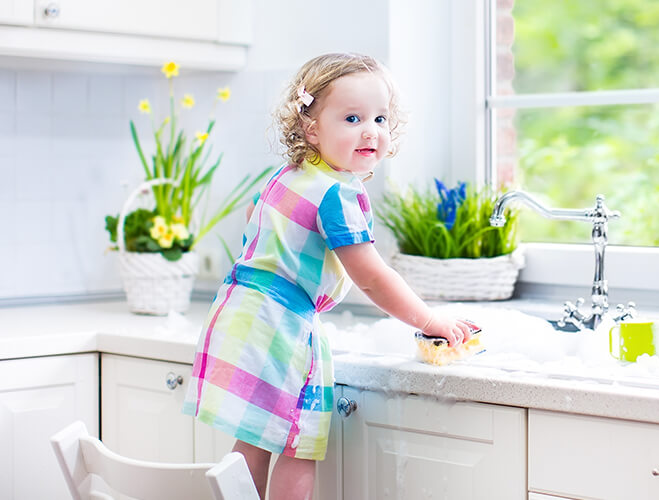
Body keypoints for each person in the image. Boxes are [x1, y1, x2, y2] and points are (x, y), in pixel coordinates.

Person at [181, 53, 474, 499]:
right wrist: (431, 322)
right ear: (311, 128)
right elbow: (373, 277)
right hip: (279, 328)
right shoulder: (338, 194)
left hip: (238, 313)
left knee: (253, 441)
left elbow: (253, 214)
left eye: (380, 117)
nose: (371, 130)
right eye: (353, 118)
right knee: (298, 445)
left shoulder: (289, 174)